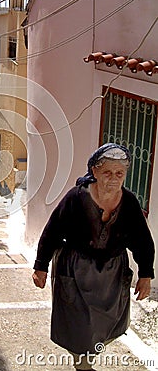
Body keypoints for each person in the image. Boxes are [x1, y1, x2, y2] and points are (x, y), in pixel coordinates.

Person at [32, 143, 155, 371]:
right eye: (107, 172)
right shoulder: (76, 198)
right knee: (78, 324)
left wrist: (146, 274)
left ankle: (85, 360)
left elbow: (142, 240)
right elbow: (53, 231)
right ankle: (83, 366)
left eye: (120, 173)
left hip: (111, 275)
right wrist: (41, 265)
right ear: (94, 171)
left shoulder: (128, 203)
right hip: (75, 271)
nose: (113, 179)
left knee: (101, 324)